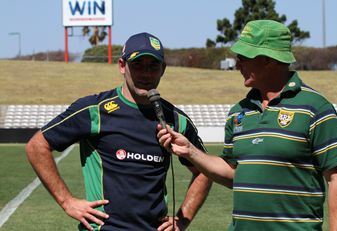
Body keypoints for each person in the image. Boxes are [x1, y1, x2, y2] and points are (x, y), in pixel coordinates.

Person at [157, 20, 337, 230]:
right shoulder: (238, 112)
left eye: (243, 58)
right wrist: (191, 152)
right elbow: (232, 174)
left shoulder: (316, 108)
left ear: (267, 59)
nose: (237, 65)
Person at [25, 32, 212, 231]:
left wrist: (182, 220)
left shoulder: (175, 119)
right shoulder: (94, 110)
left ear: (163, 69)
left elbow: (205, 170)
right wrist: (67, 202)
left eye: (153, 66)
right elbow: (37, 146)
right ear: (122, 66)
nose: (146, 74)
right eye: (138, 65)